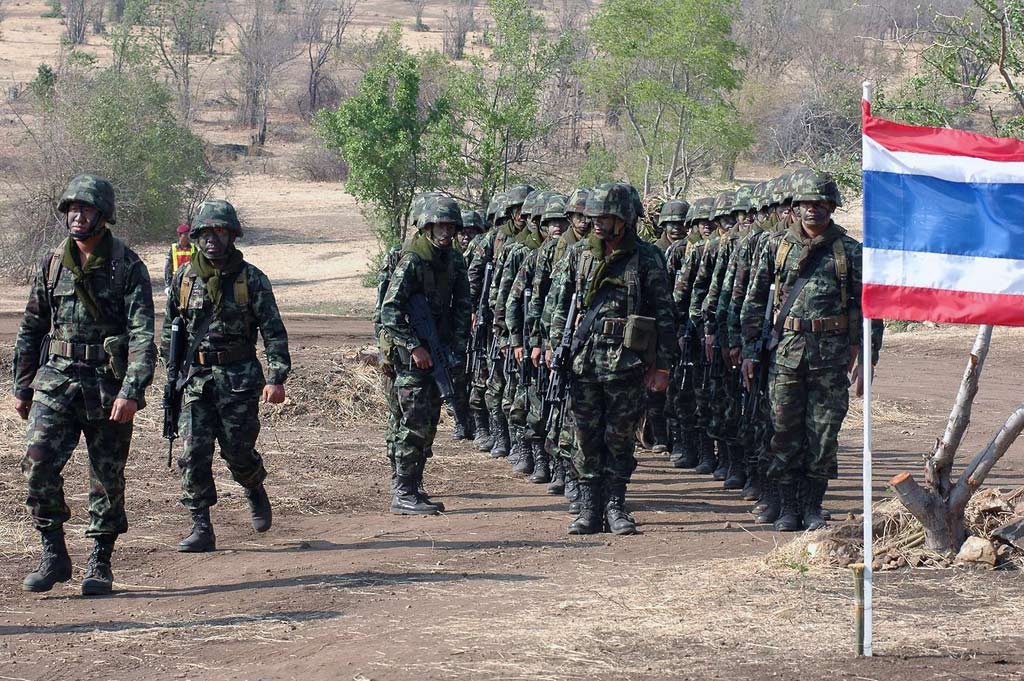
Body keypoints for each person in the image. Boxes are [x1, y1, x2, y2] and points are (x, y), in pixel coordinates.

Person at [14, 174, 156, 595]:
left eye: (86, 209)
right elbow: (32, 326)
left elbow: (143, 336)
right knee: (36, 463)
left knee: (106, 478)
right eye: (71, 209)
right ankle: (54, 553)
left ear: (103, 215)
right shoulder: (53, 263)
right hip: (56, 383)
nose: (77, 216)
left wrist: (132, 391)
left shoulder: (127, 266)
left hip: (107, 388)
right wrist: (22, 386)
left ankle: (100, 559)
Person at [741, 171, 882, 532]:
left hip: (830, 359)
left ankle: (813, 506)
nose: (812, 211)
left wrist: (867, 357)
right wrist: (749, 352)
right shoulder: (776, 247)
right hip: (784, 355)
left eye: (820, 204)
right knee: (783, 432)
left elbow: (870, 309)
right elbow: (754, 301)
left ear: (832, 207)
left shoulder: (850, 251)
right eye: (806, 203)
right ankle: (787, 505)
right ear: (795, 208)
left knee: (823, 435)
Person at [548, 183, 676, 535]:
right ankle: (589, 508)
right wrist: (553, 347)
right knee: (585, 436)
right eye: (594, 217)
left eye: (607, 216)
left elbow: (665, 316)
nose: (598, 223)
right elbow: (559, 307)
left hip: (627, 362)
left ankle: (616, 505)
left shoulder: (647, 257)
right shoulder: (578, 255)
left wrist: (662, 366)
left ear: (625, 220)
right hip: (584, 361)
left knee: (619, 437)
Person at [162, 199, 290, 552]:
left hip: (239, 379)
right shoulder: (184, 279)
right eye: (205, 232)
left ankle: (253, 486)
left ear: (232, 235)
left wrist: (276, 377)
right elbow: (169, 329)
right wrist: (172, 375)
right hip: (196, 380)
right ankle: (201, 525)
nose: (211, 239)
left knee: (238, 451)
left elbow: (273, 331)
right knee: (192, 453)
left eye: (219, 231)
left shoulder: (252, 279)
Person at [379, 196, 471, 515]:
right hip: (413, 358)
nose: (445, 232)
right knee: (414, 423)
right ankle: (403, 490)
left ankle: (413, 484)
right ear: (427, 226)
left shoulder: (454, 261)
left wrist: (456, 350)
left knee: (429, 424)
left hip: (440, 352)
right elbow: (389, 311)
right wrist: (413, 346)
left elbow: (462, 307)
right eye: (439, 225)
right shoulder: (412, 261)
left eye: (450, 226)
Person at [164, 224, 194, 296]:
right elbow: (168, 268)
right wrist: (168, 285)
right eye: (185, 235)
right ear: (180, 235)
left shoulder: (193, 248)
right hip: (176, 282)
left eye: (188, 234)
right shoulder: (173, 248)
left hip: (190, 281)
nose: (187, 237)